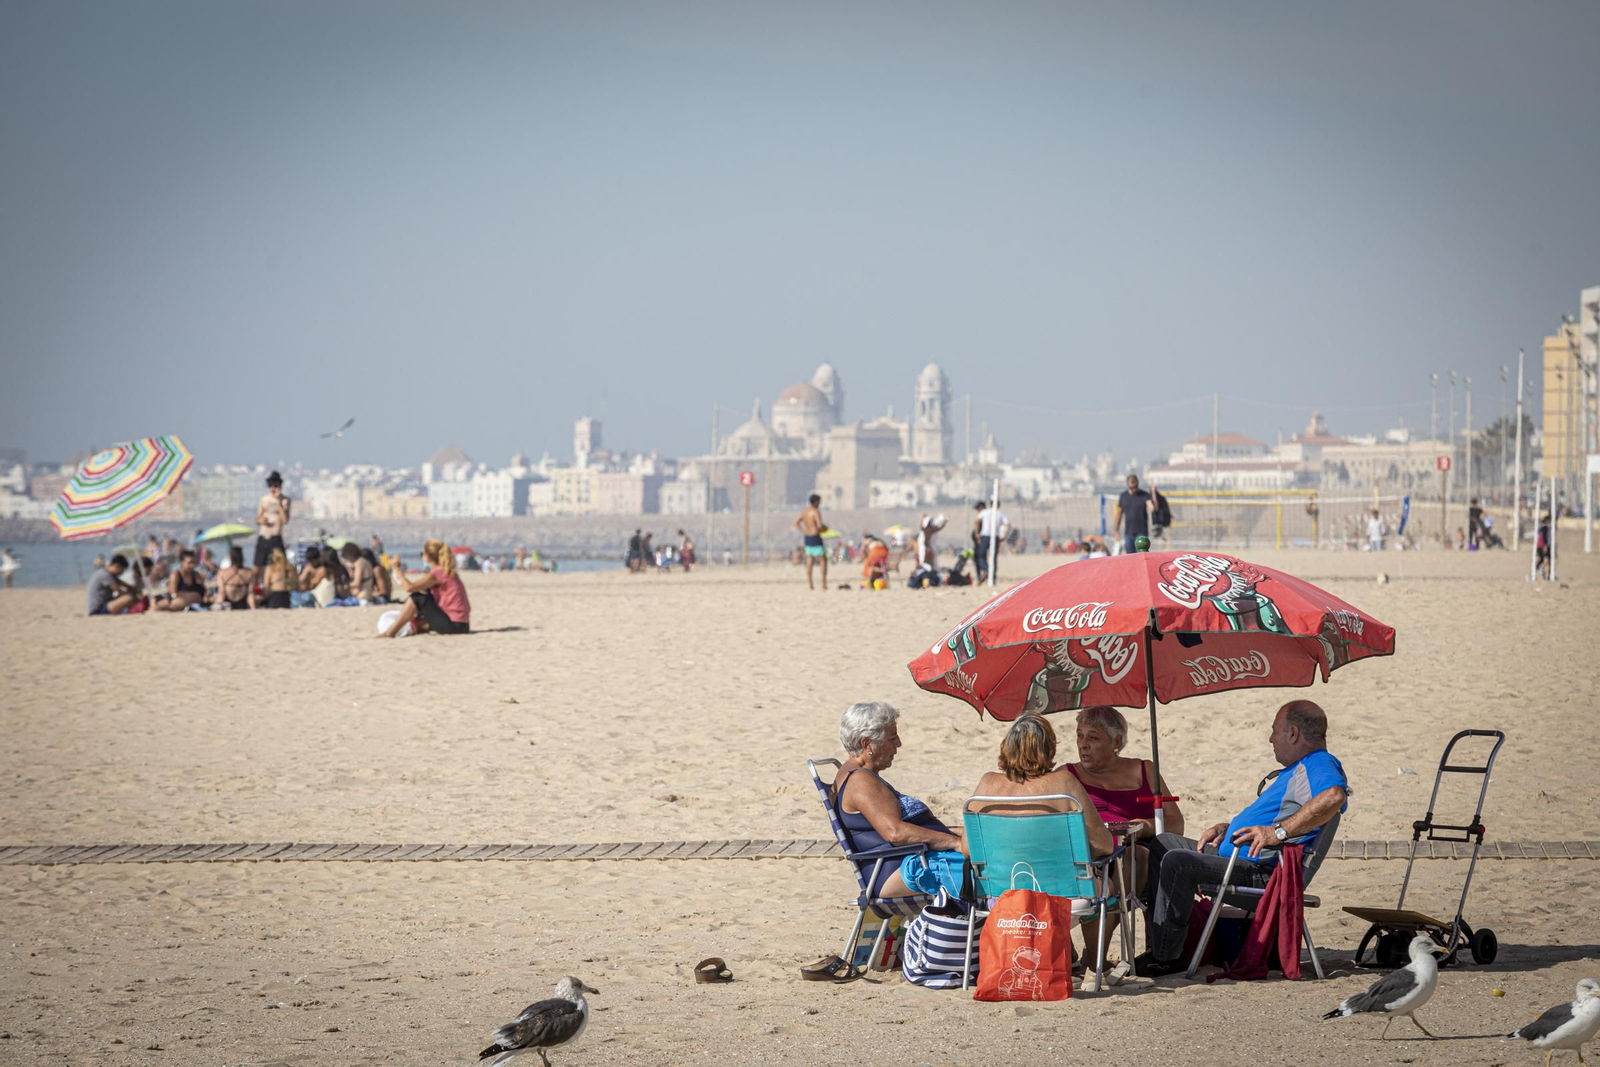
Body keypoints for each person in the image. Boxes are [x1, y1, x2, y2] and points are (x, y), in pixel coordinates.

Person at [1133, 700, 1349, 977]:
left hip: (1264, 876)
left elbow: (1334, 796)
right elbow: (1272, 818)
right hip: (1237, 858)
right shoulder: (1299, 769)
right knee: (1164, 843)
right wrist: (1228, 829)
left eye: (1275, 731)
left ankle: (1166, 957)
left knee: (1178, 862)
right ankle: (1161, 944)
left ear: (1293, 733)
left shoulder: (1319, 763)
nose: (1271, 739)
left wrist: (1277, 833)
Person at [973, 713, 1116, 968]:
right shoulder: (1063, 783)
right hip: (1066, 898)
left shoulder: (987, 785)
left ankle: (1065, 955)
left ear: (1006, 747)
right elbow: (1104, 846)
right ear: (1049, 748)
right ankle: (1094, 963)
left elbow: (967, 848)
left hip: (1000, 898)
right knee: (1106, 883)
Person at [1062, 706, 1184, 954]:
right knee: (1100, 871)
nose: (1083, 744)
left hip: (1133, 851)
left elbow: (1175, 823)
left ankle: (1093, 957)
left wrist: (1144, 826)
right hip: (1088, 852)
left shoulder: (1144, 771)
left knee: (1135, 857)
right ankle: (1092, 959)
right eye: (1079, 735)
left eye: (1093, 737)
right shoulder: (1067, 775)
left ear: (1116, 741)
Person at [831, 701, 967, 900]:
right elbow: (895, 833)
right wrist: (953, 842)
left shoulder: (859, 776)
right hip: (897, 869)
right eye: (892, 737)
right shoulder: (860, 780)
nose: (899, 743)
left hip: (908, 860)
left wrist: (958, 832)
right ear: (867, 744)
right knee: (991, 872)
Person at [381, 538, 471, 637]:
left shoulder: (438, 573)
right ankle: (405, 628)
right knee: (424, 596)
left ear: (428, 557)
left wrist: (397, 569)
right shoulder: (445, 571)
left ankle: (390, 633)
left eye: (422, 554)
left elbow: (409, 587)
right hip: (463, 625)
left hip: (454, 625)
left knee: (418, 597)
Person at [253, 472, 292, 584]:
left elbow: (285, 520)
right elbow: (257, 519)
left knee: (280, 566)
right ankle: (255, 588)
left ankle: (275, 587)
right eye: (271, 486)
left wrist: (278, 502)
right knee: (257, 565)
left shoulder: (285, 501)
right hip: (264, 535)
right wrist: (261, 521)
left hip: (276, 536)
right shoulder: (264, 500)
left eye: (275, 486)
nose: (273, 489)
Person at [794, 494, 829, 590]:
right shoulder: (815, 512)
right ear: (816, 502)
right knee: (823, 560)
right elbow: (819, 525)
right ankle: (823, 583)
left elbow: (796, 522)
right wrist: (826, 528)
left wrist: (803, 530)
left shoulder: (805, 512)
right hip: (815, 536)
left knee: (810, 559)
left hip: (807, 537)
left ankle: (810, 584)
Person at [1113, 475, 1152, 556]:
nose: (1134, 489)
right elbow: (1119, 514)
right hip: (1128, 532)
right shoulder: (1123, 496)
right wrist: (1116, 530)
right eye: (1131, 487)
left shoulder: (1144, 495)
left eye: (1135, 486)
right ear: (1127, 484)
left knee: (1141, 555)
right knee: (1130, 556)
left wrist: (1154, 494)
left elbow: (1152, 508)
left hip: (1141, 531)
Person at [973, 499, 1011, 582]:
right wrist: (1004, 536)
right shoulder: (1001, 514)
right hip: (995, 537)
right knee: (993, 557)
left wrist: (977, 533)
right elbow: (1008, 525)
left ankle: (985, 570)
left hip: (985, 536)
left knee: (981, 555)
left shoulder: (985, 512)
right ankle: (992, 576)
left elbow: (976, 521)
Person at [908, 513, 947, 589]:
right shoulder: (932, 530)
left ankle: (927, 577)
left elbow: (921, 527)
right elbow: (940, 527)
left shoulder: (926, 529)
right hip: (929, 547)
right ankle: (931, 576)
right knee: (931, 563)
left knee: (925, 563)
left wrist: (922, 518)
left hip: (926, 547)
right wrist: (945, 522)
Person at [216, 545, 255, 610]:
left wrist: (218, 604)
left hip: (228, 603)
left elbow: (221, 592)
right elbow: (250, 593)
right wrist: (253, 608)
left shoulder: (222, 573)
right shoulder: (249, 573)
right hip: (243, 603)